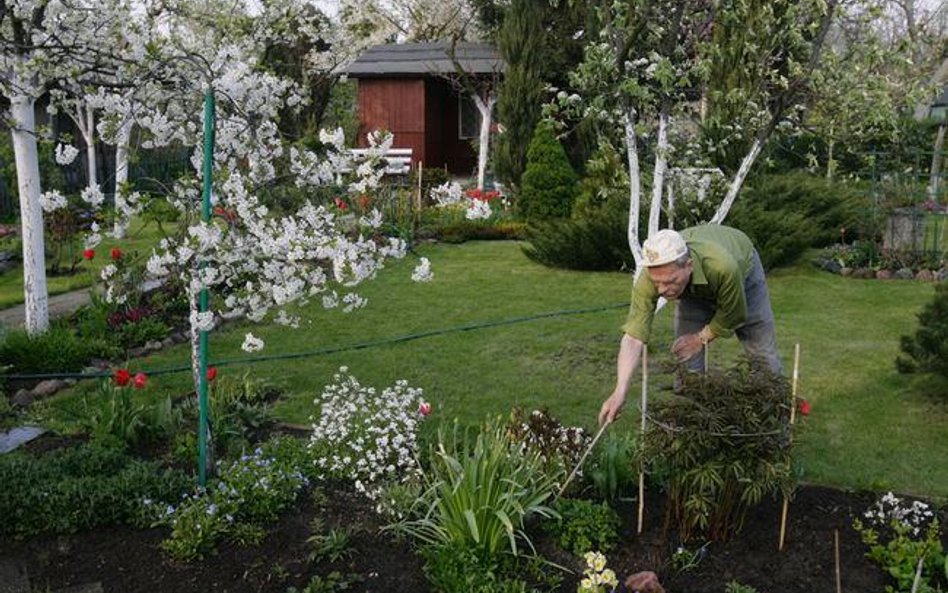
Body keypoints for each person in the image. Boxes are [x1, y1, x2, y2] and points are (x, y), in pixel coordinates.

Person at [598, 224, 781, 425]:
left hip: (743, 273)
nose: (662, 290)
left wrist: (702, 338)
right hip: (693, 287)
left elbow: (734, 314)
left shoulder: (723, 266)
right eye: (656, 282)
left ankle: (773, 425)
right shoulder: (652, 277)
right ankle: (691, 427)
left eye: (669, 281)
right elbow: (633, 337)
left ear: (688, 265)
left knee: (762, 355)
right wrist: (619, 391)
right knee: (686, 358)